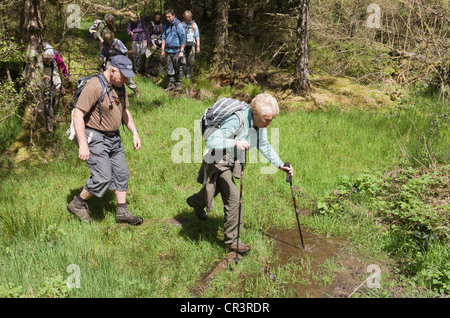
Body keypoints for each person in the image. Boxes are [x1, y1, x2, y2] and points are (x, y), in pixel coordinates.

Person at [186, 93, 294, 254]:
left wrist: (279, 165)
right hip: (217, 157)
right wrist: (234, 142)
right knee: (234, 197)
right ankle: (232, 240)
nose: (270, 123)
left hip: (234, 158)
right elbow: (212, 140)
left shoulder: (259, 124)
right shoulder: (237, 119)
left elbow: (263, 144)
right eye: (267, 119)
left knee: (214, 189)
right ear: (255, 114)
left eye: (272, 119)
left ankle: (196, 201)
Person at [67, 55, 143, 225]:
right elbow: (78, 115)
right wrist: (83, 145)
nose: (125, 79)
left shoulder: (120, 86)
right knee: (102, 177)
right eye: (122, 76)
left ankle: (122, 211)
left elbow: (125, 111)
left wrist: (134, 132)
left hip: (114, 137)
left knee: (121, 173)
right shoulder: (94, 85)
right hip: (95, 137)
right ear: (112, 70)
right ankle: (77, 204)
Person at [99, 31, 141, 97]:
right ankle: (111, 91)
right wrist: (101, 56)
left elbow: (125, 51)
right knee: (108, 74)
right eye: (107, 40)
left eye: (109, 40)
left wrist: (118, 48)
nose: (108, 42)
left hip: (119, 60)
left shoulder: (117, 42)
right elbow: (103, 52)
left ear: (112, 38)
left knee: (124, 75)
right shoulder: (105, 44)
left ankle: (135, 89)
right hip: (110, 61)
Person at [161, 9, 186, 92]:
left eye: (169, 17)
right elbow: (163, 38)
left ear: (173, 15)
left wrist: (182, 51)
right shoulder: (166, 25)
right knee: (169, 67)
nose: (168, 18)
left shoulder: (179, 25)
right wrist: (162, 50)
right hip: (168, 50)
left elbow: (183, 39)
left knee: (179, 67)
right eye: (167, 17)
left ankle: (180, 84)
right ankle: (171, 83)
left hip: (177, 50)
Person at [42, 51, 64, 136]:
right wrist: (41, 76)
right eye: (46, 59)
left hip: (49, 90)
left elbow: (56, 75)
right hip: (38, 90)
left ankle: (49, 131)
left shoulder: (52, 63)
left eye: (49, 59)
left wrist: (59, 86)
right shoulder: (37, 63)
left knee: (49, 110)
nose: (47, 61)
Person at [181, 10, 200, 81]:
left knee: (191, 62)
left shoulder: (194, 24)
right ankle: (182, 78)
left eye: (190, 17)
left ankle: (189, 78)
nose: (190, 18)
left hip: (192, 45)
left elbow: (197, 36)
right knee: (183, 62)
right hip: (183, 46)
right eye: (188, 17)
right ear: (185, 17)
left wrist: (198, 46)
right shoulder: (181, 24)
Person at [145, 12, 164, 77]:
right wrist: (151, 44)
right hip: (153, 43)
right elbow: (148, 35)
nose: (158, 18)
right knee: (153, 57)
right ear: (154, 17)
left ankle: (160, 72)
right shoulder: (151, 24)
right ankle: (149, 72)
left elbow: (163, 34)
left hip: (160, 43)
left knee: (160, 57)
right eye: (156, 17)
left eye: (159, 17)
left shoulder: (161, 24)